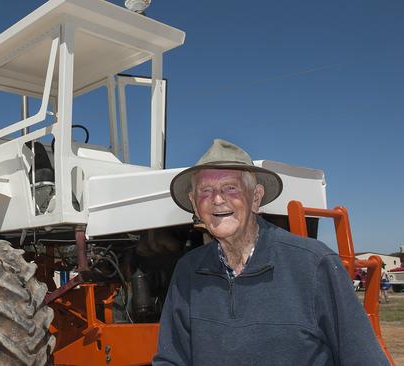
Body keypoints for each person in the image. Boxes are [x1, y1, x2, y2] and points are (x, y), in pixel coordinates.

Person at [153, 139, 388, 365]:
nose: (217, 199)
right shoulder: (188, 271)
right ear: (194, 204)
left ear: (255, 198)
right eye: (205, 191)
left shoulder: (315, 265)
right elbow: (171, 359)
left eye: (230, 188)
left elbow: (362, 358)